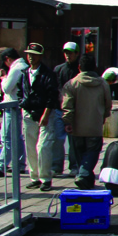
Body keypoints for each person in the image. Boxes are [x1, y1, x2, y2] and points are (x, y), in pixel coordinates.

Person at [60, 53, 112, 188]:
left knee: (79, 153)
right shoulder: (102, 84)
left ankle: (82, 175)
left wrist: (68, 121)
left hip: (77, 127)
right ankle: (85, 176)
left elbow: (67, 106)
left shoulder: (71, 84)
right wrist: (104, 116)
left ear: (79, 67)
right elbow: (108, 104)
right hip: (95, 126)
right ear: (95, 67)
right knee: (92, 152)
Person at [20, 42, 60, 191]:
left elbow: (52, 95)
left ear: (40, 56)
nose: (31, 58)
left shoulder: (48, 74)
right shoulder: (24, 73)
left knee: (43, 146)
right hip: (28, 112)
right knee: (30, 146)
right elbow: (20, 91)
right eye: (29, 54)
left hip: (44, 113)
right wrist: (22, 104)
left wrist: (46, 113)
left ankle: (45, 178)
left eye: (34, 55)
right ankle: (34, 176)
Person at [0, 47, 29, 177]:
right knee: (18, 137)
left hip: (12, 106)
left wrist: (3, 78)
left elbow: (7, 88)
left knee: (7, 137)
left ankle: (1, 166)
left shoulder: (16, 68)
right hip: (19, 106)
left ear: (7, 59)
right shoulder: (24, 66)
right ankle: (19, 164)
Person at [52, 41, 81, 179]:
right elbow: (54, 87)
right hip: (59, 109)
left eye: (70, 52)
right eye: (66, 53)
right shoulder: (58, 69)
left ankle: (74, 166)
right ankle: (56, 166)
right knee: (57, 138)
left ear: (77, 53)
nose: (68, 55)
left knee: (74, 140)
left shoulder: (80, 70)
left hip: (76, 111)